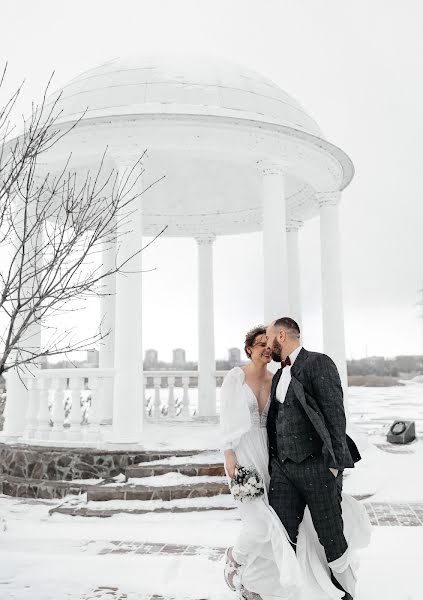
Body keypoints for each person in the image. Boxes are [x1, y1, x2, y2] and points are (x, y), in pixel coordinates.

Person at [221, 323, 371, 600]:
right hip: (278, 466)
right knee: (280, 531)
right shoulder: (278, 375)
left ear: (281, 336)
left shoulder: (317, 363)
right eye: (261, 343)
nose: (268, 348)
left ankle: (343, 590)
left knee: (328, 532)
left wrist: (334, 464)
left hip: (315, 467)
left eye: (270, 341)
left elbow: (335, 414)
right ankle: (263, 586)